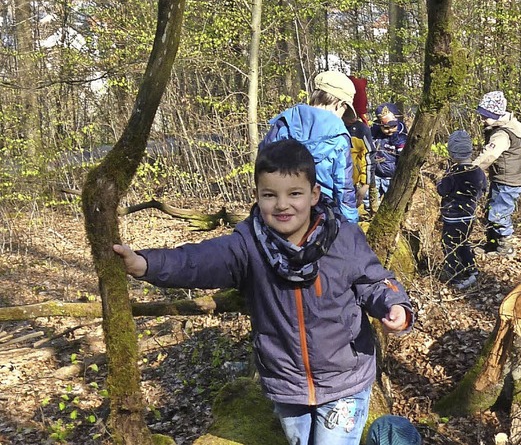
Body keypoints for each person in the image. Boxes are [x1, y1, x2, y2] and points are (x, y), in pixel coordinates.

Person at [113, 139, 414, 445]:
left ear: (314, 195)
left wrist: (396, 306)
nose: (282, 205)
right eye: (270, 195)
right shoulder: (247, 246)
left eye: (294, 194)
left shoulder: (343, 240)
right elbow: (196, 261)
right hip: (286, 383)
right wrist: (145, 263)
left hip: (344, 379)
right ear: (256, 196)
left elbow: (375, 281)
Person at [261, 70, 359, 223]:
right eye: (344, 110)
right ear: (340, 104)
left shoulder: (285, 122)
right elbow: (344, 187)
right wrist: (351, 224)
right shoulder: (339, 135)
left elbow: (263, 165)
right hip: (320, 212)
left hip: (280, 209)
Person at [473, 90, 521, 257]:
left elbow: (489, 155)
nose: (481, 119)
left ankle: (505, 247)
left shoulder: (502, 134)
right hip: (502, 178)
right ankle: (492, 244)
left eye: (485, 116)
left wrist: (471, 169)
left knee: (499, 213)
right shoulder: (500, 128)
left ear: (496, 115)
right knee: (491, 210)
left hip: (508, 181)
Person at [437, 130, 487, 290]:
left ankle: (455, 275)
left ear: (451, 152)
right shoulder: (478, 171)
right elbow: (482, 190)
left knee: (449, 245)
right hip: (469, 216)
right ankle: (471, 269)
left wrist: (439, 182)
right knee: (463, 242)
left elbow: (442, 190)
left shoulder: (453, 172)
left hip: (453, 217)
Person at [344, 76, 376, 211]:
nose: (353, 118)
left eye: (356, 114)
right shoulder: (327, 127)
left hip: (352, 185)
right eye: (350, 114)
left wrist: (366, 185)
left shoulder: (361, 129)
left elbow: (369, 156)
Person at [371, 103, 408, 197]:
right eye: (386, 128)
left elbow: (403, 158)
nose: (390, 130)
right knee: (370, 199)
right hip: (376, 174)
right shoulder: (374, 133)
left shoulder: (401, 136)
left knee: (392, 198)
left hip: (392, 177)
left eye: (393, 126)